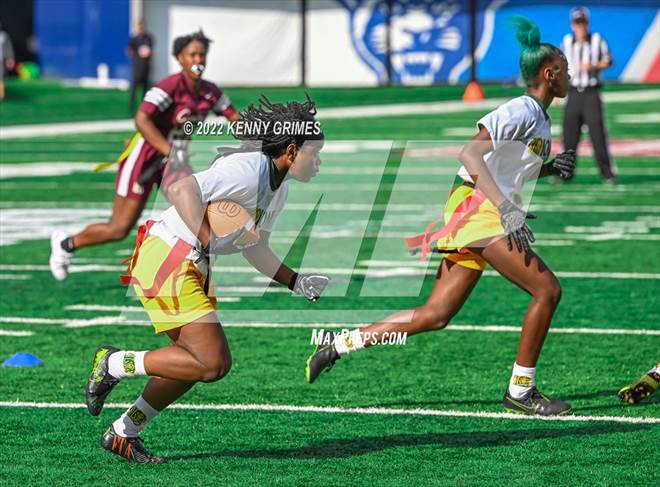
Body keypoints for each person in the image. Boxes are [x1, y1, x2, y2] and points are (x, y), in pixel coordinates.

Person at [306, 17, 577, 417]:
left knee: (435, 315)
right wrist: (506, 210)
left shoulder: (539, 117)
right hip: (478, 210)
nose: (570, 76)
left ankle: (339, 345)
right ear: (550, 74)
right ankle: (521, 391)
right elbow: (470, 154)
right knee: (547, 290)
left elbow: (506, 169)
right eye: (566, 69)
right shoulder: (522, 109)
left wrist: (550, 168)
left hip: (478, 211)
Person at [84, 94, 330, 463]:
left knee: (189, 362)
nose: (319, 161)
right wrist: (207, 238)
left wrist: (295, 281)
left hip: (192, 263)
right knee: (213, 363)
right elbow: (181, 189)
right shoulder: (248, 168)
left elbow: (255, 247)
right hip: (169, 255)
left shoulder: (280, 188)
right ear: (292, 150)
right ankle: (115, 363)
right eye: (315, 153)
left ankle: (123, 432)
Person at [49, 30, 241, 282]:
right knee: (119, 228)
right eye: (192, 54)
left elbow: (235, 118)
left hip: (174, 162)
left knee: (195, 210)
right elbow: (141, 119)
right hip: (145, 157)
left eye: (201, 54)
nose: (198, 59)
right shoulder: (169, 86)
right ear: (180, 58)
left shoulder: (210, 91)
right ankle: (66, 244)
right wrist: (168, 151)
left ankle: (199, 268)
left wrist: (263, 135)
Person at [561, 6, 616, 184]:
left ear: (587, 24)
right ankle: (566, 173)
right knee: (569, 135)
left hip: (591, 93)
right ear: (572, 25)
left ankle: (607, 173)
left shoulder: (597, 39)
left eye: (583, 23)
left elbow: (609, 61)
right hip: (573, 93)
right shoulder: (567, 41)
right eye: (577, 23)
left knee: (597, 135)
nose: (580, 27)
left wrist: (594, 66)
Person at [127, 19, 153, 115]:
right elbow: (129, 50)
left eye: (142, 25)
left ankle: (144, 109)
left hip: (146, 67)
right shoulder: (134, 39)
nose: (140, 28)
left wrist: (147, 53)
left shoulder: (148, 38)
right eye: (139, 26)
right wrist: (137, 53)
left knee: (145, 90)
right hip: (137, 67)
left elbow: (151, 51)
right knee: (134, 89)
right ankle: (132, 109)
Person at [0, 22, 15, 101]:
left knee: (0, 77)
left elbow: (8, 48)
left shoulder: (3, 36)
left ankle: (1, 94)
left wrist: (10, 58)